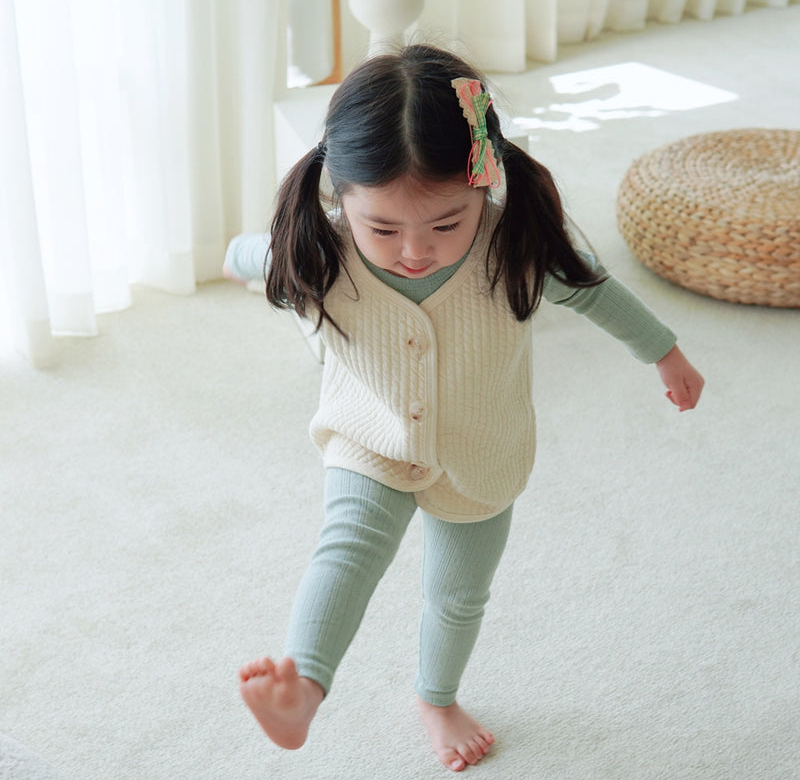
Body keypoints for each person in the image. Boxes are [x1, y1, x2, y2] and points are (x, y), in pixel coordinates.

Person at [231, 44, 704, 773]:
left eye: (445, 225)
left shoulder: (518, 244)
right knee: (347, 551)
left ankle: (437, 696)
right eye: (382, 229)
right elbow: (248, 254)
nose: (415, 250)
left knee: (458, 596)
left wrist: (663, 352)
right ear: (337, 192)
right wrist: (235, 259)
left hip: (484, 453)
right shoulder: (316, 250)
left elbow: (598, 292)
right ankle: (305, 689)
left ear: (484, 182)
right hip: (369, 436)